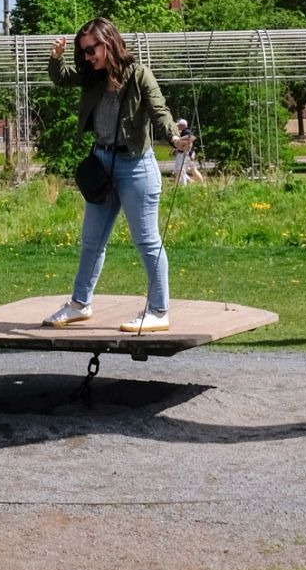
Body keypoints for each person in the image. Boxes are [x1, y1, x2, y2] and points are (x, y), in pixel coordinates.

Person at [41, 18, 193, 334]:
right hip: (101, 164)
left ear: (108, 42)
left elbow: (160, 112)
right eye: (83, 52)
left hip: (136, 166)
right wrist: (55, 58)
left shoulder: (139, 75)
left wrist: (175, 139)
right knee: (91, 241)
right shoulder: (92, 76)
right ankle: (79, 304)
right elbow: (61, 79)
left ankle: (158, 311)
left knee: (148, 241)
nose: (86, 57)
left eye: (91, 49)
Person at [171, 117, 205, 186]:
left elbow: (189, 143)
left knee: (180, 170)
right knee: (193, 170)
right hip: (189, 153)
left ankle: (183, 186)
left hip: (185, 154)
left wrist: (182, 151)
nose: (177, 127)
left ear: (182, 125)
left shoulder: (186, 132)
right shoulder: (185, 132)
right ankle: (202, 184)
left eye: (178, 125)